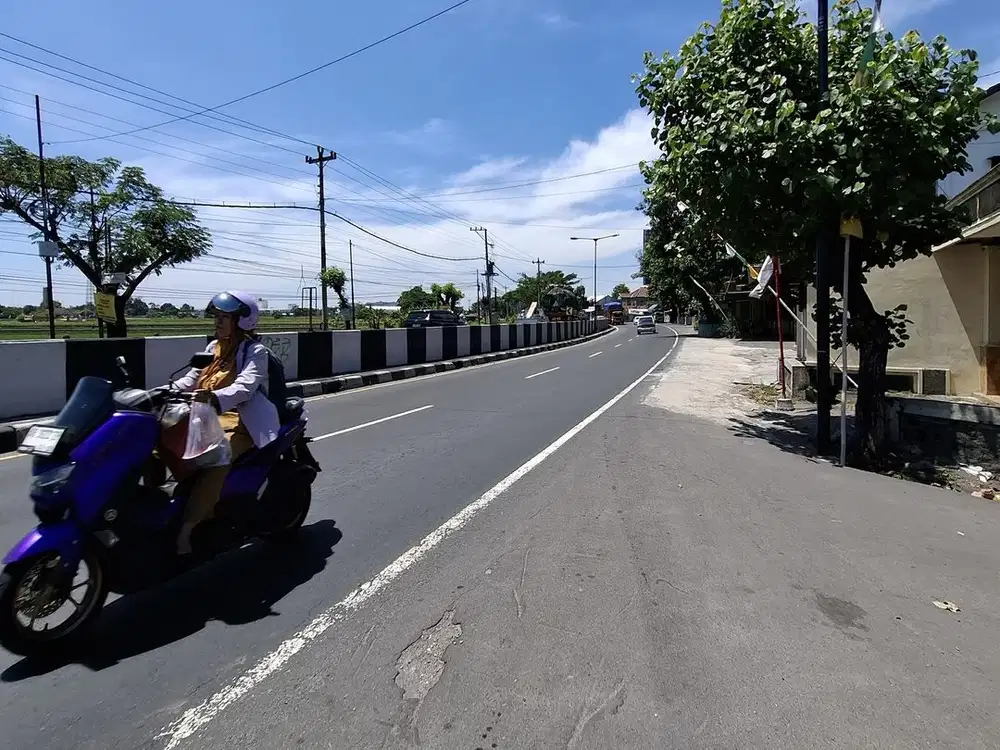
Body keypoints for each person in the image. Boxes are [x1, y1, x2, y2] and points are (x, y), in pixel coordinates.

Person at [170, 291, 280, 556]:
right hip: (204, 417)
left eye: (224, 317)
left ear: (242, 321)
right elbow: (191, 379)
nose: (217, 322)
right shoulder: (213, 349)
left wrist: (215, 398)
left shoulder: (255, 351)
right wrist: (162, 391)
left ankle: (187, 529)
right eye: (217, 317)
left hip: (239, 421)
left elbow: (245, 387)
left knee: (217, 458)